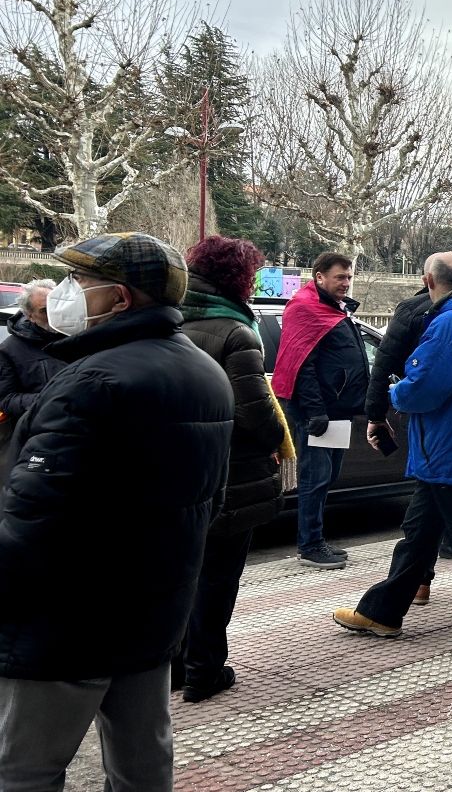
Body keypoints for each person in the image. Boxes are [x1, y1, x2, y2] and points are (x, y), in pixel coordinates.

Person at [0, 233, 232, 790]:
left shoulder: (89, 382)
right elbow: (208, 502)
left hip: (66, 622)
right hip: (153, 610)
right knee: (142, 763)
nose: (65, 293)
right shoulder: (205, 371)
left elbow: (33, 520)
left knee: (24, 769)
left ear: (120, 299)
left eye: (79, 282)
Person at [332, 253, 452, 641]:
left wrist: (395, 392)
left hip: (450, 446)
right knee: (418, 534)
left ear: (427, 280)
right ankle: (382, 612)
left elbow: (427, 388)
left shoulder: (448, 323)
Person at [176, 236, 286, 703]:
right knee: (218, 576)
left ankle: (174, 667)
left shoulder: (167, 320)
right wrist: (276, 440)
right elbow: (255, 412)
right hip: (228, 471)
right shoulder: (236, 330)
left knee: (179, 572)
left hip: (173, 468)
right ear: (238, 278)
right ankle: (204, 669)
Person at [272, 252, 371, 569]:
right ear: (319, 277)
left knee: (329, 477)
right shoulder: (305, 308)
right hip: (319, 412)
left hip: (337, 410)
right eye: (340, 277)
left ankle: (317, 539)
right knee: (316, 478)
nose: (346, 282)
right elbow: (302, 366)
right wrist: (316, 412)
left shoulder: (332, 309)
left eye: (349, 276)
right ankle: (310, 545)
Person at [364, 285, 438, 604]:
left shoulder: (414, 312)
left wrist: (381, 409)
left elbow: (385, 365)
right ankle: (412, 585)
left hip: (428, 422)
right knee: (435, 506)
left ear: (427, 279)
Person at [0, 279, 65, 443]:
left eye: (56, 307)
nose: (53, 313)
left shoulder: (79, 337)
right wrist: (48, 400)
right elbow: (6, 399)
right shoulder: (9, 350)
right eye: (45, 310)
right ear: (29, 315)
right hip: (38, 435)